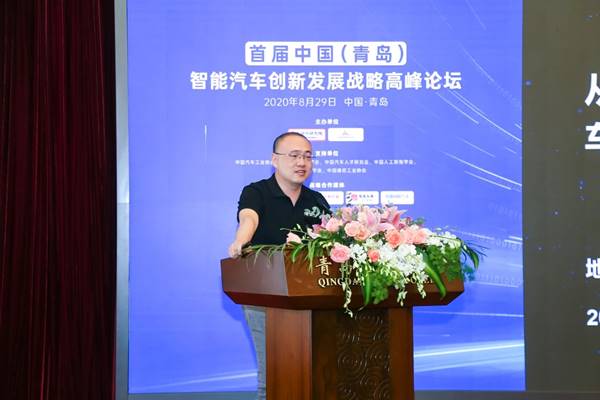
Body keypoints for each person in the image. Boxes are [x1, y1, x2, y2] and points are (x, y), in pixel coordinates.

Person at [228, 132, 330, 399]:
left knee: (311, 374)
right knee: (272, 376)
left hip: (310, 297)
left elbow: (329, 243)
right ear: (275, 160)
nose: (302, 162)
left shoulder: (317, 201)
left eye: (307, 156)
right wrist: (241, 240)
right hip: (264, 296)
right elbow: (248, 218)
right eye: (294, 155)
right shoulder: (257, 191)